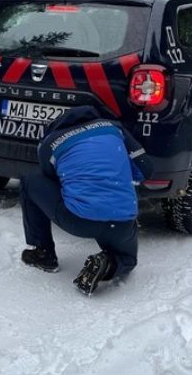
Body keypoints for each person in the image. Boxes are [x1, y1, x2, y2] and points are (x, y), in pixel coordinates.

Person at [19, 105, 153, 295]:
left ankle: (43, 254)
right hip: (123, 219)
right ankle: (107, 264)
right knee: (127, 259)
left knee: (29, 180)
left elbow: (51, 179)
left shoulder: (50, 143)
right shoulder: (115, 128)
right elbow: (146, 170)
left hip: (79, 220)